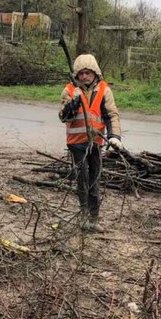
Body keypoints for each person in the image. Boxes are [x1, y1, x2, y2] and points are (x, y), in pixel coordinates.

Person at [58, 54, 123, 232]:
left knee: (95, 180)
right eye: (81, 73)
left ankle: (94, 218)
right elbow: (63, 117)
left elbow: (111, 115)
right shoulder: (70, 91)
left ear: (95, 73)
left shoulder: (104, 91)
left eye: (88, 73)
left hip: (95, 143)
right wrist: (72, 105)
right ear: (77, 75)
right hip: (77, 143)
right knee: (83, 179)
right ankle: (84, 215)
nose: (84, 76)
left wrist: (114, 136)